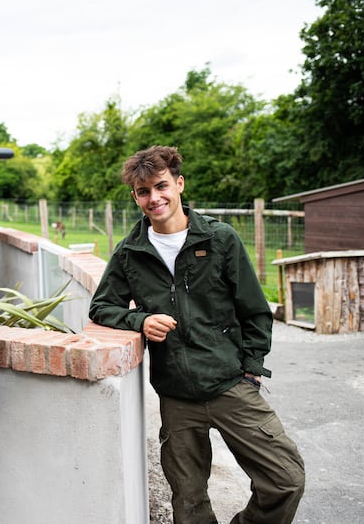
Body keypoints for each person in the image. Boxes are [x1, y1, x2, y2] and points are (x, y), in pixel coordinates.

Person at [89, 146, 305, 523]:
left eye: (161, 186)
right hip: (176, 397)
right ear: (135, 197)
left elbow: (255, 310)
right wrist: (140, 321)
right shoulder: (129, 253)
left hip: (230, 385)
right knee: (188, 503)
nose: (154, 198)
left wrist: (251, 371)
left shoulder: (220, 240)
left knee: (285, 479)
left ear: (179, 183)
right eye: (143, 192)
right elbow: (101, 307)